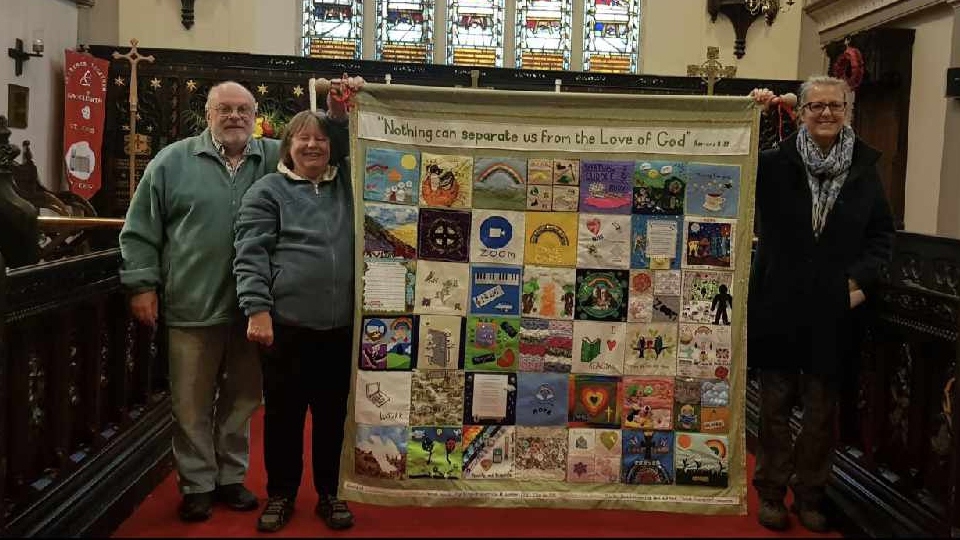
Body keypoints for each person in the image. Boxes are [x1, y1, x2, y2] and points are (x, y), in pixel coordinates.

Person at [119, 81, 281, 521]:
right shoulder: (173, 161)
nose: (235, 117)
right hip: (191, 306)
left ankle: (231, 478)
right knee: (189, 402)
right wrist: (142, 285)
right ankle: (196, 484)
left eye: (243, 110)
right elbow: (140, 229)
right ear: (207, 114)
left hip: (252, 311)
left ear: (255, 115)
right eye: (224, 109)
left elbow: (321, 151)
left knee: (243, 399)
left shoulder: (273, 158)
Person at [748, 76, 895, 533]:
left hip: (833, 310)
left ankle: (811, 495)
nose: (826, 113)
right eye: (816, 106)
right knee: (773, 409)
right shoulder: (774, 163)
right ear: (802, 111)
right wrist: (752, 113)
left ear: (847, 109)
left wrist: (859, 283)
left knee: (820, 413)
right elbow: (731, 168)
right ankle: (771, 492)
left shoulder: (865, 170)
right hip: (779, 302)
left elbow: (881, 237)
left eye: (835, 106)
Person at [233, 74, 365, 533]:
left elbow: (352, 142)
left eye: (320, 139)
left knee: (333, 418)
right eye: (303, 138)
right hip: (285, 326)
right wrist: (258, 309)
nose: (313, 146)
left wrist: (339, 111)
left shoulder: (349, 187)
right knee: (285, 418)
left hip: (340, 329)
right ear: (286, 146)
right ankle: (282, 494)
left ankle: (330, 493)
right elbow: (250, 255)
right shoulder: (268, 191)